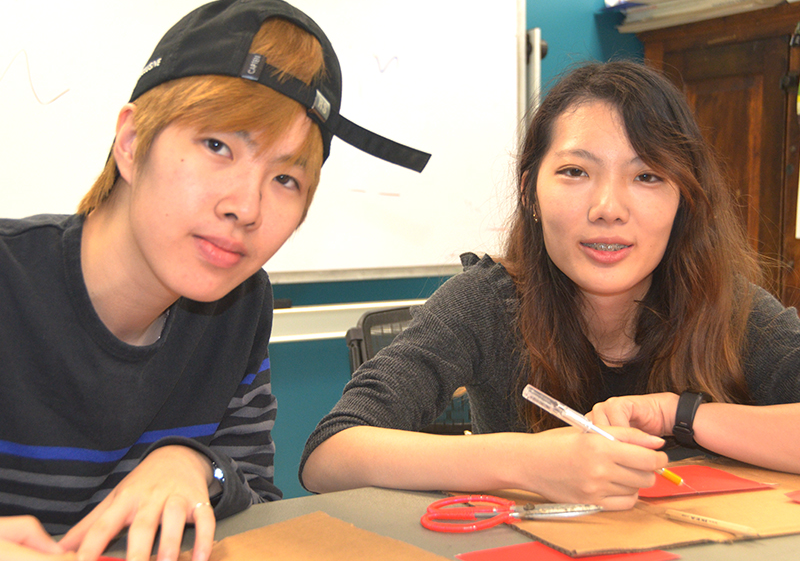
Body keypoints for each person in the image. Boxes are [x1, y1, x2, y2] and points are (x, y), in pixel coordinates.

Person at [0, 0, 428, 561]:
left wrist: (197, 465)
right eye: (218, 145)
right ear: (131, 142)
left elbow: (259, 502)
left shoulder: (239, 305)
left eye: (284, 178)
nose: (246, 207)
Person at [300, 60, 800, 511]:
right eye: (575, 171)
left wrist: (678, 413)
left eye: (647, 176)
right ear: (530, 192)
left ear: (683, 201)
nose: (608, 207)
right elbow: (329, 455)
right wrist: (526, 461)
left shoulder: (729, 307)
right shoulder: (486, 303)